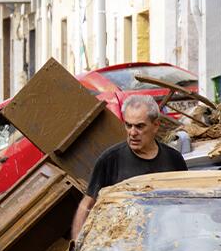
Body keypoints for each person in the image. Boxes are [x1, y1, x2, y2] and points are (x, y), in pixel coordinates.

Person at [70, 95, 187, 240]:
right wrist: (76, 245)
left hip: (165, 245)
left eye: (139, 126)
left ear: (156, 125)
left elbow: (185, 207)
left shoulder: (174, 160)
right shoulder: (110, 160)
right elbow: (87, 204)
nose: (132, 132)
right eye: (128, 125)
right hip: (123, 248)